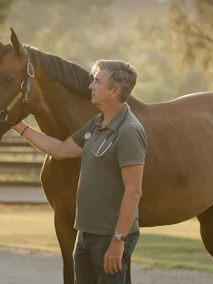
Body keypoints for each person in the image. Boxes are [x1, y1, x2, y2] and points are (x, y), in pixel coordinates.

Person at [11, 60, 147, 284]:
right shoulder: (96, 123)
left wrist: (118, 240)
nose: (90, 86)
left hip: (109, 236)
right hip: (85, 233)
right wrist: (19, 127)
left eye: (96, 82)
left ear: (115, 91)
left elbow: (133, 191)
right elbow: (60, 149)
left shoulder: (129, 131)